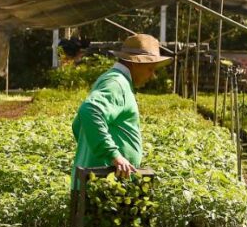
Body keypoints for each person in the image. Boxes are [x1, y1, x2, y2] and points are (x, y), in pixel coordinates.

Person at [71, 34, 172, 183]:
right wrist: (114, 155)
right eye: (150, 68)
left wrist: (95, 147)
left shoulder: (111, 79)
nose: (153, 76)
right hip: (101, 182)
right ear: (137, 63)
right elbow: (89, 110)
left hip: (101, 180)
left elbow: (78, 125)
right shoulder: (116, 84)